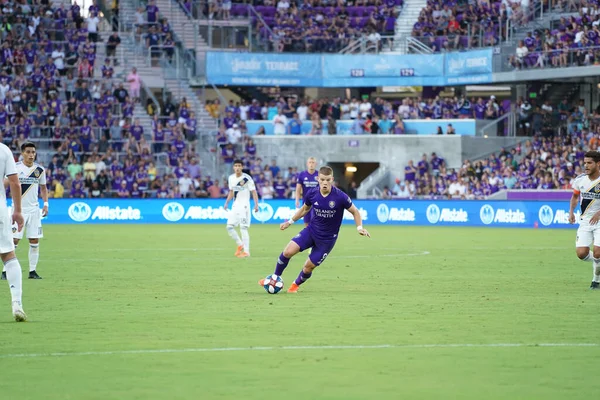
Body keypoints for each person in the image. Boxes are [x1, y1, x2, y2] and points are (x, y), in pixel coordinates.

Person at [259, 166, 370, 293]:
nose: (325, 183)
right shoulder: (312, 193)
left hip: (326, 240)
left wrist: (359, 227)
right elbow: (304, 210)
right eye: (322, 179)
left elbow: (355, 212)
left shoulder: (340, 197)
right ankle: (274, 278)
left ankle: (295, 285)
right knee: (287, 252)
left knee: (308, 267)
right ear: (318, 179)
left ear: (332, 179)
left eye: (328, 180)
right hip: (311, 231)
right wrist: (290, 222)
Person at [1, 143, 48, 280]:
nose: (31, 154)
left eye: (33, 152)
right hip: (18, 210)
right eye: (28, 152)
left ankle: (32, 271)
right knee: (13, 240)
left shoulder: (39, 170)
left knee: (34, 240)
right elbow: (4, 185)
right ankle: (5, 271)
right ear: (22, 153)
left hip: (34, 211)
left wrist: (45, 204)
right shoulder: (15, 168)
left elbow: (43, 188)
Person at [0, 142, 26, 321]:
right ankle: (17, 304)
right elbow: (15, 183)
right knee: (9, 256)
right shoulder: (3, 150)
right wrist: (17, 211)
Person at [570, 150, 600, 290]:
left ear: (598, 164)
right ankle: (598, 263)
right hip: (586, 221)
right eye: (585, 163)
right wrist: (571, 212)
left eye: (589, 163)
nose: (586, 166)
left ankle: (596, 281)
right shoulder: (580, 180)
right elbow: (575, 197)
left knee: (598, 252)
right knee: (581, 254)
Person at [224, 160, 259, 258]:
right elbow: (231, 191)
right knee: (229, 227)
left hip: (244, 206)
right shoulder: (231, 178)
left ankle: (246, 252)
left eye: (239, 166)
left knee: (243, 228)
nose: (237, 167)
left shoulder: (247, 178)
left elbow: (254, 191)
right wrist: (227, 202)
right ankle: (240, 244)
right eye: (235, 166)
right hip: (235, 206)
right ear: (233, 167)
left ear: (242, 167)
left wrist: (256, 204)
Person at [295, 157, 319, 226]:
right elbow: (298, 188)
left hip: (316, 202)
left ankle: (316, 235)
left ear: (316, 164)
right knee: (306, 222)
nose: (311, 164)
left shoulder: (319, 175)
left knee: (314, 222)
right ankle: (308, 236)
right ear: (307, 164)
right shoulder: (302, 175)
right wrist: (297, 199)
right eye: (310, 162)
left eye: (313, 162)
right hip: (306, 202)